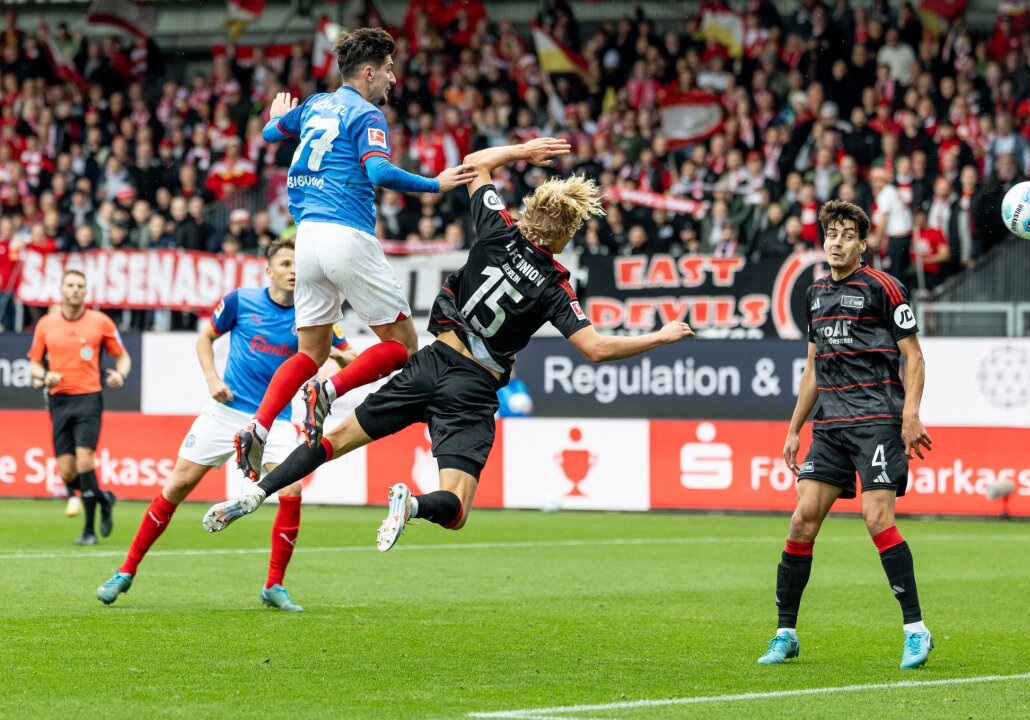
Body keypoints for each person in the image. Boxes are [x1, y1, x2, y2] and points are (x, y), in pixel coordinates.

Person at [202, 137, 694, 550]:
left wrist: (524, 149)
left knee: (332, 442)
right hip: (472, 389)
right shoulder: (556, 285)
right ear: (565, 233)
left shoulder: (497, 228)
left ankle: (256, 493)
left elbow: (475, 164)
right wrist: (663, 335)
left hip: (431, 360)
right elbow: (596, 349)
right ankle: (412, 504)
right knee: (455, 508)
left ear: (529, 213)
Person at [234, 27, 477, 483]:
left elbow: (270, 133)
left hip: (305, 239)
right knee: (403, 345)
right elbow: (379, 170)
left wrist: (274, 117)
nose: (392, 78)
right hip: (347, 234)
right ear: (368, 71)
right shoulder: (366, 115)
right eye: (388, 69)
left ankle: (258, 423)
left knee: (310, 350)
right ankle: (327, 390)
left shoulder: (314, 105)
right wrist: (435, 184)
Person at [95, 239, 356, 610]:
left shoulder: (316, 314)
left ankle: (274, 586)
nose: (292, 270)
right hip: (227, 412)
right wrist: (211, 379)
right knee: (178, 484)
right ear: (269, 270)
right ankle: (126, 571)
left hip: (277, 418)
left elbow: (351, 358)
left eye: (297, 264)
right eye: (284, 263)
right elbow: (205, 338)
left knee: (293, 489)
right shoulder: (240, 301)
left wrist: (329, 360)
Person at [757, 200, 934, 670]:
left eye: (846, 235)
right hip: (831, 426)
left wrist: (910, 414)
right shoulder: (815, 293)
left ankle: (916, 630)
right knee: (801, 521)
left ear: (862, 243)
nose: (836, 241)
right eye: (831, 233)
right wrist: (795, 428)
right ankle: (785, 633)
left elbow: (914, 358)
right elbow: (813, 368)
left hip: (877, 420)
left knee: (876, 518)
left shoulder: (884, 288)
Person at [27, 269, 132, 545]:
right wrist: (42, 376)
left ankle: (89, 531)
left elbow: (122, 357)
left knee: (85, 459)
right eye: (70, 285)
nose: (75, 289)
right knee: (67, 472)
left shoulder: (100, 322)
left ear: (85, 291)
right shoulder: (46, 324)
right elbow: (35, 362)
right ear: (62, 290)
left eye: (80, 286)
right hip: (59, 400)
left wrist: (120, 375)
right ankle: (103, 497)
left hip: (89, 398)